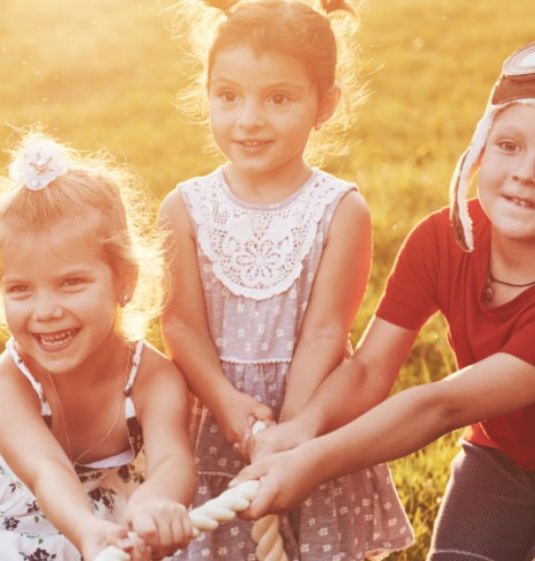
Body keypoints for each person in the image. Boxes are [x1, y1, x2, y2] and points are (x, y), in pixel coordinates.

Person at [239, 36, 535, 561]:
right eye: (508, 145)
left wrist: (312, 463)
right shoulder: (441, 239)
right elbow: (368, 369)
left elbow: (441, 405)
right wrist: (303, 429)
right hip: (505, 448)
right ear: (481, 146)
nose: (526, 171)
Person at [159, 1, 414, 559]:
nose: (249, 118)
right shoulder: (185, 208)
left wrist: (288, 436)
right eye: (228, 96)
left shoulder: (339, 210)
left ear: (325, 105)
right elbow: (180, 323)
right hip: (215, 411)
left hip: (303, 414)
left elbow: (326, 332)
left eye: (278, 98)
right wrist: (227, 403)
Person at [0, 133, 196, 561]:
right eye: (20, 289)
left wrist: (156, 501)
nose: (46, 310)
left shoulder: (154, 378)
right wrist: (88, 532)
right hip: (3, 528)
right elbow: (46, 471)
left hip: (108, 533)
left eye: (71, 283)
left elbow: (173, 458)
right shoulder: (7, 386)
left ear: (124, 281)